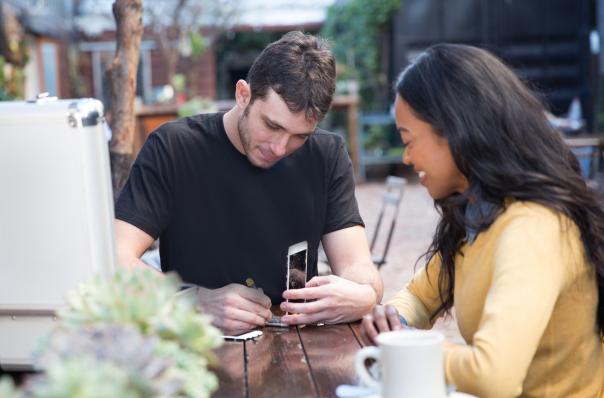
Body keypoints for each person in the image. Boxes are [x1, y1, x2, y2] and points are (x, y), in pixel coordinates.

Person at [361, 44, 604, 397]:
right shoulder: (476, 214)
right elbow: (419, 295)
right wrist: (394, 318)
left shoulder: (532, 228)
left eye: (409, 140)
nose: (408, 157)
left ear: (456, 130)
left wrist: (407, 345)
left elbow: (492, 376)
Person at [115, 31, 383, 336]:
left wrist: (364, 294)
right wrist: (193, 302)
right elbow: (116, 257)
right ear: (243, 95)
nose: (280, 148)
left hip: (298, 348)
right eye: (272, 125)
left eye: (300, 137)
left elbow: (358, 266)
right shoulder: (173, 148)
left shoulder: (327, 155)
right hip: (194, 343)